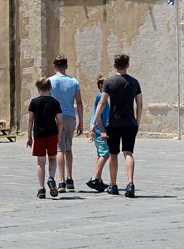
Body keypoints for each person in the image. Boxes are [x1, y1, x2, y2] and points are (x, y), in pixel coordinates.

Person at [92, 53, 143, 198]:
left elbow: (102, 103)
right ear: (127, 65)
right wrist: (137, 122)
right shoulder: (134, 82)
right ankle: (130, 182)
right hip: (130, 122)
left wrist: (95, 122)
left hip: (113, 123)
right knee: (128, 153)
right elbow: (140, 104)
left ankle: (113, 185)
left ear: (114, 65)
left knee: (113, 154)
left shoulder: (109, 82)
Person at [49, 55, 83, 193]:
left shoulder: (50, 81)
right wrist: (81, 122)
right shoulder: (74, 82)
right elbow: (79, 102)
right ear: (66, 66)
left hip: (56, 117)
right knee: (68, 148)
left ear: (54, 66)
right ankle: (70, 178)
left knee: (59, 149)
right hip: (70, 116)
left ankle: (61, 181)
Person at [26, 77, 63, 199]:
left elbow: (30, 120)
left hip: (39, 135)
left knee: (41, 162)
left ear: (38, 89)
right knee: (52, 158)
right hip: (52, 134)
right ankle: (51, 177)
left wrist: (29, 136)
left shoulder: (34, 102)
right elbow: (60, 121)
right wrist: (59, 134)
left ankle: (41, 189)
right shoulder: (55, 102)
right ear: (50, 88)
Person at [86, 75, 110, 192]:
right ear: (101, 86)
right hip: (100, 130)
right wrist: (103, 131)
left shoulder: (101, 97)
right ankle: (94, 178)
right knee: (105, 154)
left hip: (97, 129)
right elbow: (99, 117)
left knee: (101, 154)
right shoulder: (102, 98)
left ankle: (98, 179)